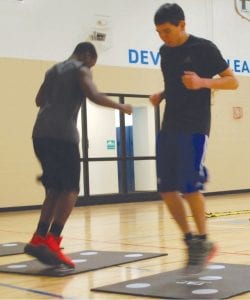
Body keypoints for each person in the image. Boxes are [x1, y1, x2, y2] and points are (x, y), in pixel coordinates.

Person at [25, 42, 132, 268]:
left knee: (54, 189)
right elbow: (93, 95)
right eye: (93, 63)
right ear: (87, 55)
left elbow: (38, 101)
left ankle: (39, 237)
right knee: (71, 189)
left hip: (40, 134)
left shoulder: (52, 70)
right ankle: (53, 240)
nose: (92, 68)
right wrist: (120, 107)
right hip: (63, 136)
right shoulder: (81, 68)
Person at [150, 3, 238, 274]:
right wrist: (162, 94)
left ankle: (203, 239)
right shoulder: (165, 52)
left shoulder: (204, 48)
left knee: (189, 186)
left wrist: (203, 82)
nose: (163, 37)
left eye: (167, 31)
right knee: (166, 189)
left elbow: (232, 81)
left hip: (195, 126)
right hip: (170, 125)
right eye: (158, 32)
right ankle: (190, 239)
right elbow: (175, 83)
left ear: (182, 25)